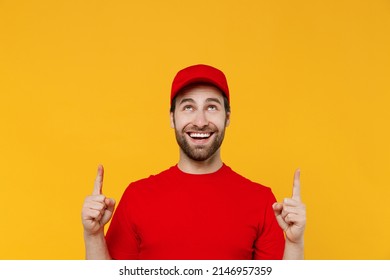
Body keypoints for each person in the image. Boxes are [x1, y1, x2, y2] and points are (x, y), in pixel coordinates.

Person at [81, 64, 306, 260]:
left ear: (227, 117)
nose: (200, 121)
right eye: (188, 107)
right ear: (172, 118)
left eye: (211, 107)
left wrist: (295, 244)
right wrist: (92, 236)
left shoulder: (262, 202)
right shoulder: (137, 197)